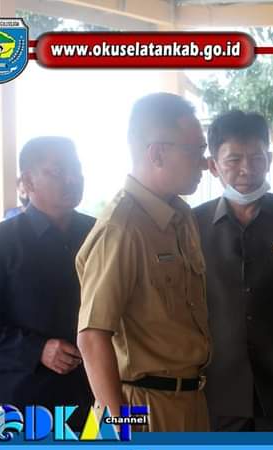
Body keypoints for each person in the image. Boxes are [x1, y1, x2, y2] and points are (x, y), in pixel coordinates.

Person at [76, 93, 211, 431]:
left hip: (189, 400)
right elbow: (92, 337)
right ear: (157, 154)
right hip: (142, 407)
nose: (204, 163)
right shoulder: (121, 228)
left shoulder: (181, 217)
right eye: (196, 151)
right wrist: (121, 428)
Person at [194, 110, 273, 431]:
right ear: (213, 166)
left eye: (256, 158)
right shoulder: (191, 225)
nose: (246, 169)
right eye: (233, 160)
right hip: (216, 391)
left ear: (269, 159)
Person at [0, 136, 93, 419]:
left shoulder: (99, 235)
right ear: (28, 181)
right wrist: (37, 349)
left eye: (76, 169)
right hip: (22, 399)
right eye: (57, 171)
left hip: (94, 393)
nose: (72, 179)